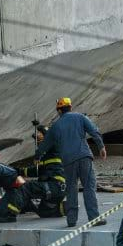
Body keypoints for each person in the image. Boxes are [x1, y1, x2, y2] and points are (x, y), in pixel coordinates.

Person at [35, 97, 107, 227]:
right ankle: (94, 218)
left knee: (71, 190)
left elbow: (45, 144)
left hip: (68, 161)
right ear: (70, 107)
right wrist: (101, 147)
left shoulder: (56, 126)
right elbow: (94, 131)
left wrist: (37, 156)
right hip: (84, 157)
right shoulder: (80, 117)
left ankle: (71, 220)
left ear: (59, 111)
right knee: (89, 187)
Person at [16, 125, 67, 219]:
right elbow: (37, 171)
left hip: (54, 185)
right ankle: (63, 208)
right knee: (43, 212)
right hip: (57, 189)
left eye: (40, 137)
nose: (38, 141)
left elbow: (50, 139)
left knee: (27, 187)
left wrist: (42, 129)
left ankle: (10, 213)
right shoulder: (45, 155)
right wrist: (19, 171)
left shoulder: (55, 148)